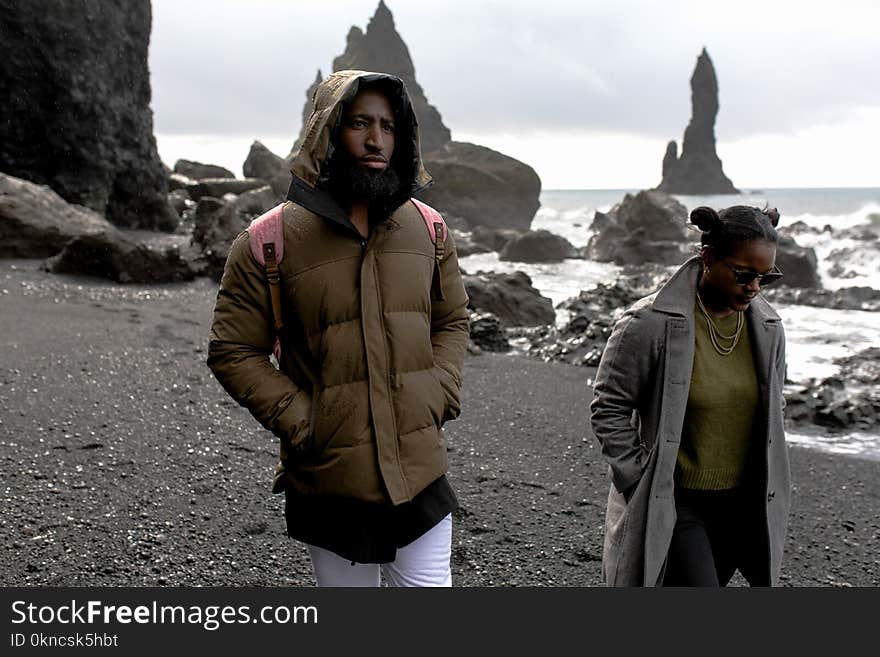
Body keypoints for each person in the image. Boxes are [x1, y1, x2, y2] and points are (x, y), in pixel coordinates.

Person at [207, 70, 470, 587]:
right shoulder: (267, 241)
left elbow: (452, 320)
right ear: (327, 130)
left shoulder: (430, 229)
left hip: (420, 469)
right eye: (360, 124)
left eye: (389, 127)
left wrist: (439, 391)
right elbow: (234, 349)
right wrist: (306, 421)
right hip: (330, 479)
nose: (377, 140)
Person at [590, 204, 791, 586]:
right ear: (708, 257)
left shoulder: (768, 328)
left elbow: (774, 405)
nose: (755, 288)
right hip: (676, 501)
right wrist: (638, 478)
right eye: (744, 275)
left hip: (743, 505)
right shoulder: (649, 324)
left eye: (766, 278)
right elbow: (608, 408)